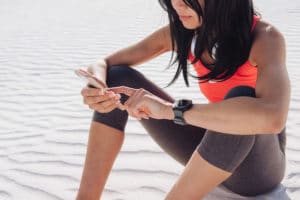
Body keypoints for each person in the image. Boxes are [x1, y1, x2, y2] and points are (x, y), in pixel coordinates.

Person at [76, 0, 290, 199]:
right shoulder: (186, 32)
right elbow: (104, 63)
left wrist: (171, 110)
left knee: (240, 100)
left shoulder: (265, 38)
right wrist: (98, 85)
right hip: (216, 151)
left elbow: (273, 117)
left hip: (257, 172)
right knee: (118, 78)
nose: (176, 3)